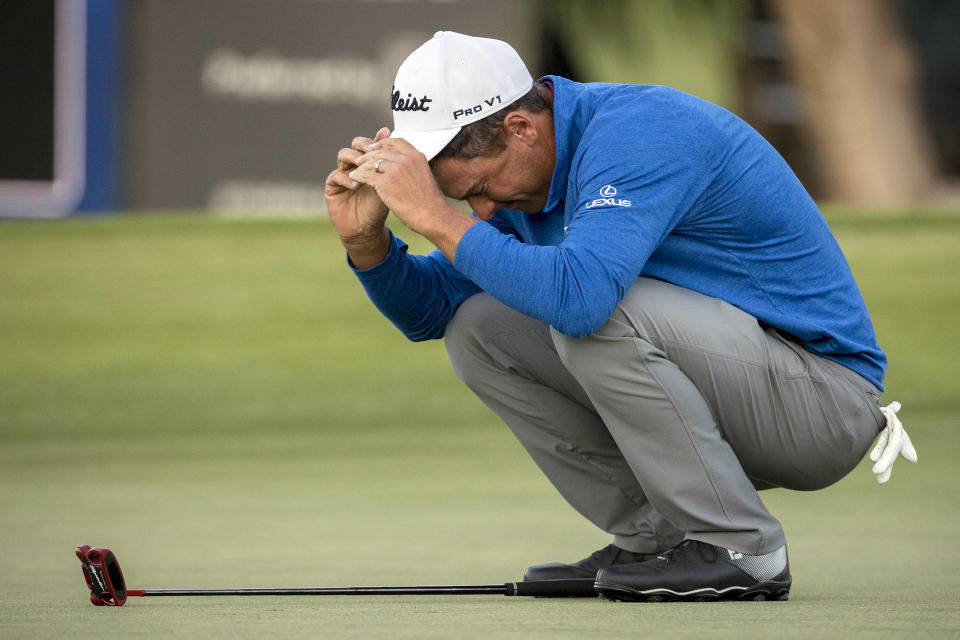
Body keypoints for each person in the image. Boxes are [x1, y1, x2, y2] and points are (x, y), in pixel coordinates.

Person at [324, 31, 917, 602]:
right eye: (464, 199)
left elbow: (580, 299)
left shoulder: (639, 132)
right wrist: (368, 245)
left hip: (821, 404)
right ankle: (657, 540)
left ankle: (742, 550)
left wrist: (435, 218)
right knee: (480, 329)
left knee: (595, 316)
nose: (481, 208)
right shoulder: (527, 178)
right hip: (742, 386)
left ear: (522, 127)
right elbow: (434, 311)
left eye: (480, 186)